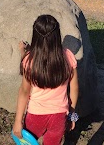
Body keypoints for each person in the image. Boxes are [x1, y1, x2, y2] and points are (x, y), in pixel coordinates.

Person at [12, 14, 79, 145]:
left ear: (35, 36)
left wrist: (18, 121)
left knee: (27, 142)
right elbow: (75, 88)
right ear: (57, 35)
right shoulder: (68, 57)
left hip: (36, 115)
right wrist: (72, 115)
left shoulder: (29, 60)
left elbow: (24, 92)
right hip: (59, 116)